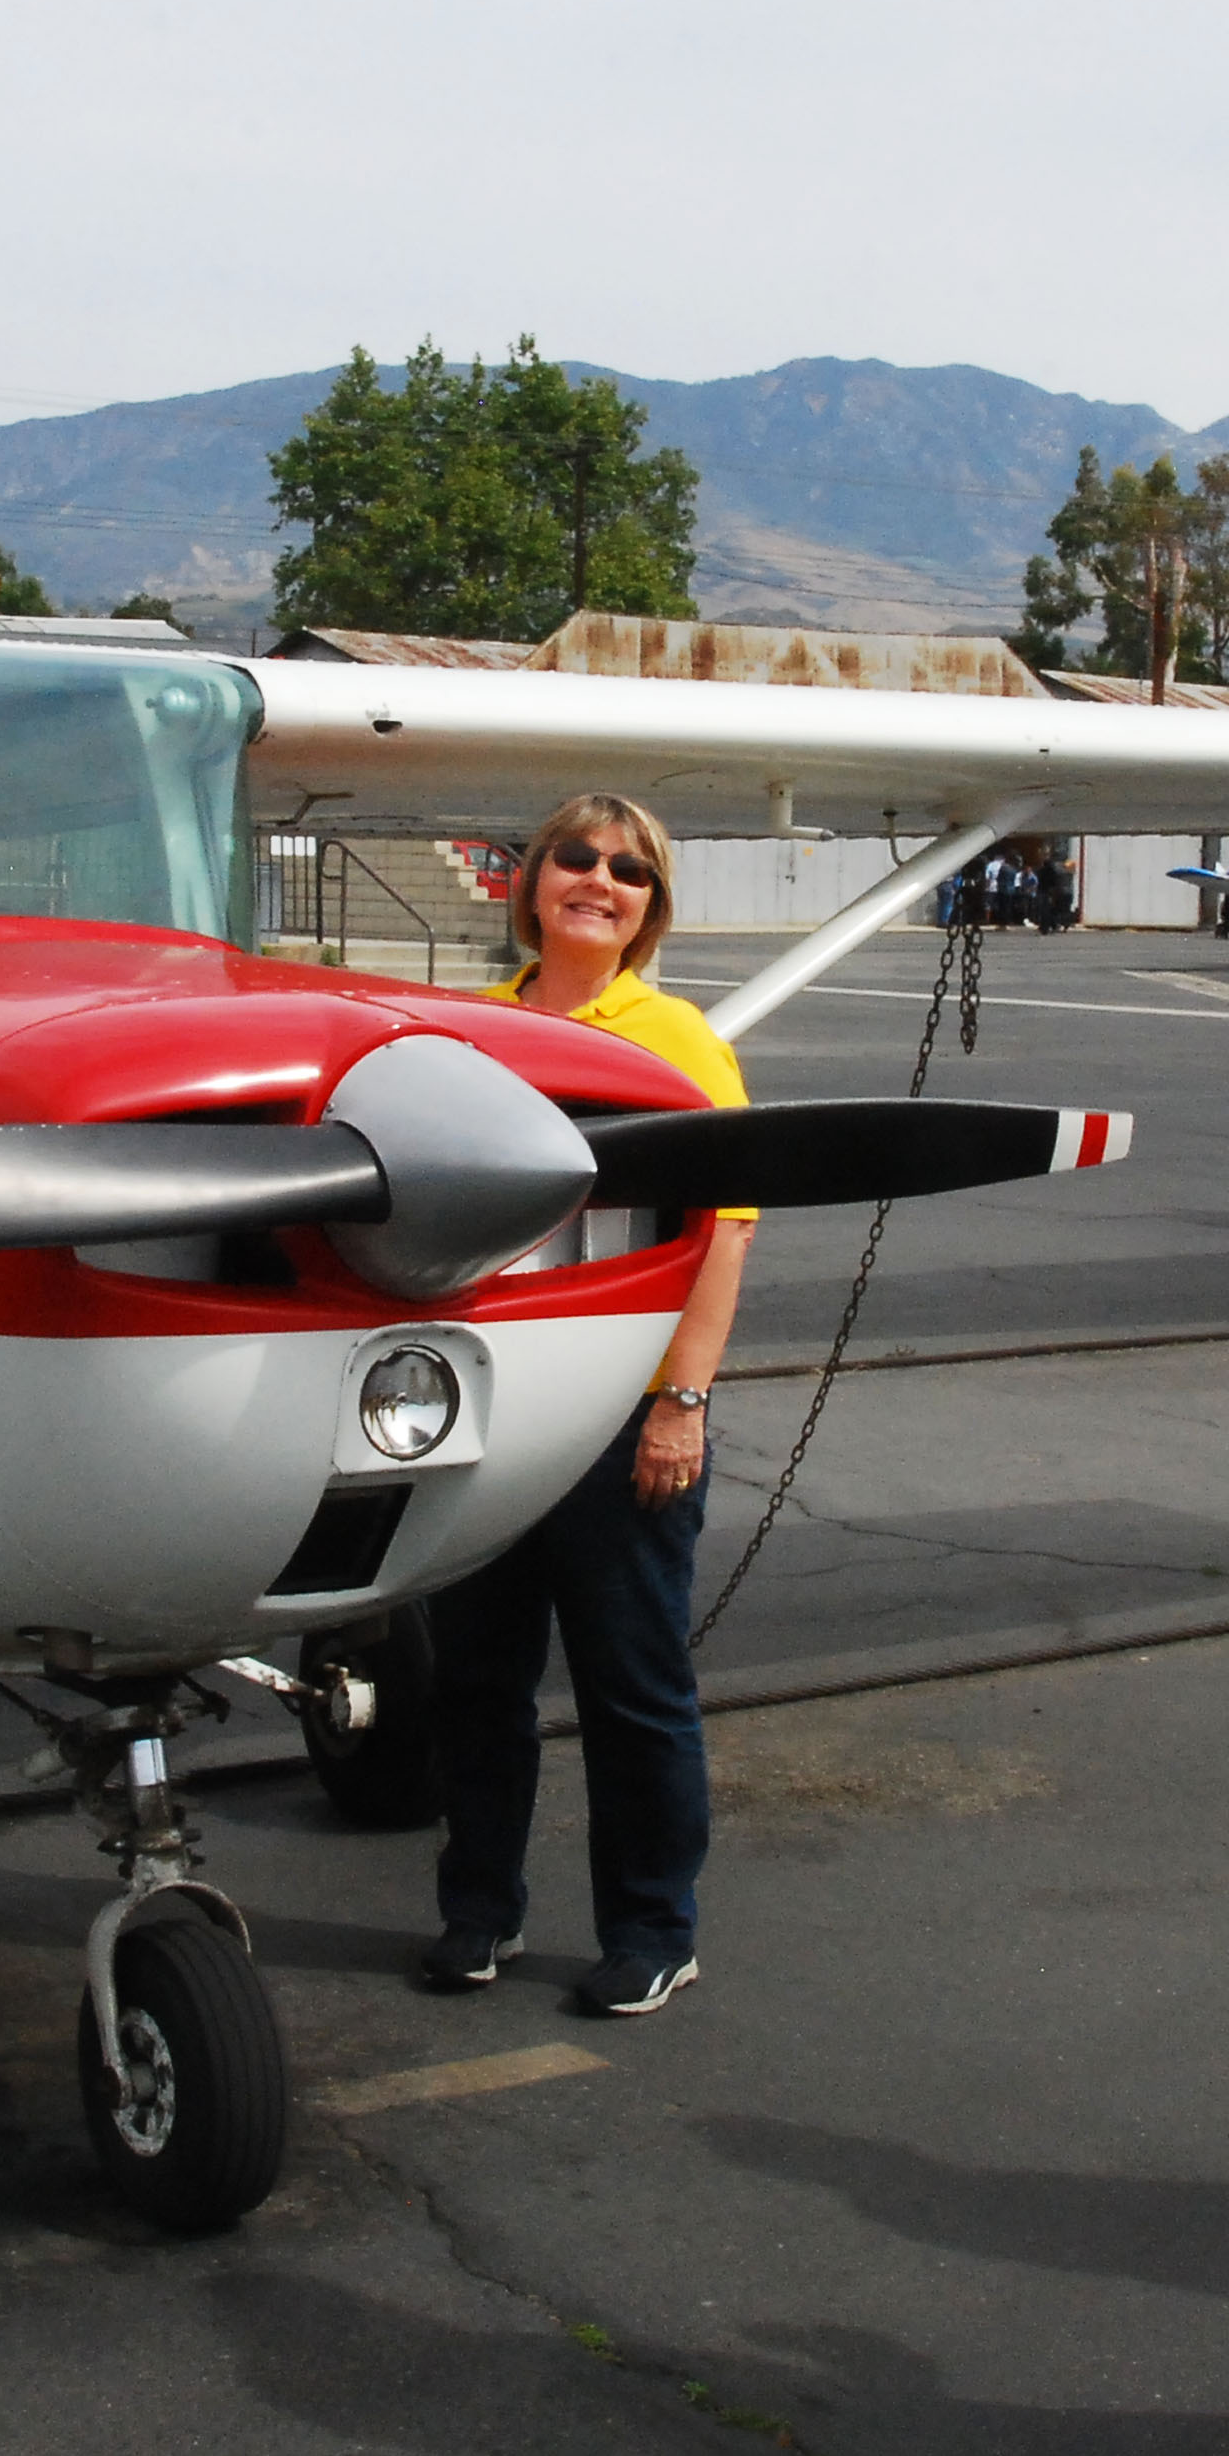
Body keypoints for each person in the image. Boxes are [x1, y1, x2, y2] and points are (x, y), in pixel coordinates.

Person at [419, 793, 755, 2019]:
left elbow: (726, 1228)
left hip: (619, 1411)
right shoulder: (470, 1027)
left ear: (649, 908)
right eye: (575, 856)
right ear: (533, 881)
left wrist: (681, 1401)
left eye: (629, 870)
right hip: (487, 1401)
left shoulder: (677, 1039)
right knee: (476, 1679)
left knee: (632, 1685)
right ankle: (478, 1911)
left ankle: (655, 1929)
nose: (598, 880)